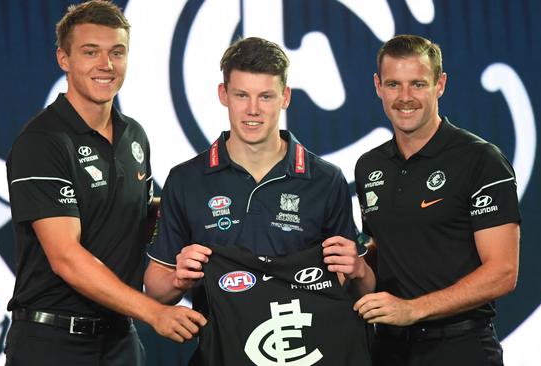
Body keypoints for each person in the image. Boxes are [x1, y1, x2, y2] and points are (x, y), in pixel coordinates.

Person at [143, 37, 375, 362]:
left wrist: (360, 270)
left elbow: (361, 290)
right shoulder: (185, 180)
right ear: (223, 95)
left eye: (266, 96)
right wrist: (178, 279)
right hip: (220, 355)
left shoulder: (326, 179)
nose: (253, 109)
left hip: (305, 354)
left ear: (285, 97)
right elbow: (155, 290)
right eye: (241, 95)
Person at [4, 1, 206, 365]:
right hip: (51, 343)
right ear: (63, 59)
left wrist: (202, 210)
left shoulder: (134, 136)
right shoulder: (43, 141)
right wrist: (153, 312)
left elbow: (138, 216)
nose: (106, 65)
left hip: (119, 341)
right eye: (90, 52)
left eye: (117, 52)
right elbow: (66, 257)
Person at [353, 34, 521, 366]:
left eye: (417, 84)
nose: (404, 97)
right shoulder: (368, 166)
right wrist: (356, 266)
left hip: (461, 348)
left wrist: (412, 310)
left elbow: (503, 271)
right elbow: (380, 250)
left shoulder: (480, 159)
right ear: (377, 86)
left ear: (440, 84)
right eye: (393, 85)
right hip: (388, 349)